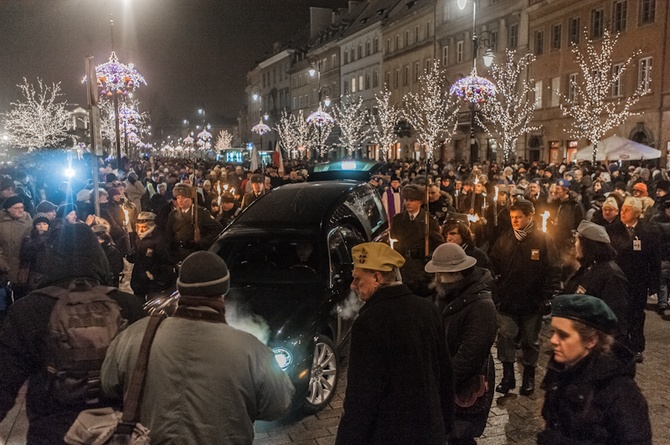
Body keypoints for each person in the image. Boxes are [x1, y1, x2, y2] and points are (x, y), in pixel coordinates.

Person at [101, 250, 294, 444]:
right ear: (223, 292)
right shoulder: (253, 350)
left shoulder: (134, 336)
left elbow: (108, 384)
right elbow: (279, 404)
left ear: (180, 290)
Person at [0, 223, 144, 445]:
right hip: (115, 430)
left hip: (52, 431)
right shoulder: (128, 305)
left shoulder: (29, 309)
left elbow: (5, 378)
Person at [336, 242, 454, 445]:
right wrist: (445, 425)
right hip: (430, 431)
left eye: (357, 278)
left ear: (376, 278)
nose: (352, 285)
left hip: (390, 433)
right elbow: (444, 372)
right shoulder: (427, 310)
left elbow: (362, 396)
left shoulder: (368, 322)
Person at [538, 294, 652, 444]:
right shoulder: (561, 369)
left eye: (563, 335)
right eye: (553, 332)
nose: (553, 340)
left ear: (591, 340)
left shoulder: (621, 392)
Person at [425, 243, 497, 445]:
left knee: (460, 437)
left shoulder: (482, 307)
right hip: (447, 385)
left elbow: (469, 356)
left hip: (466, 388)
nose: (437, 279)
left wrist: (439, 384)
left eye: (442, 274)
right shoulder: (446, 295)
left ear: (457, 274)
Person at [489, 199, 561, 396]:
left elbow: (554, 267)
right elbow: (493, 264)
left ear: (530, 217)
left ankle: (528, 376)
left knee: (530, 340)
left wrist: (549, 294)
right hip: (507, 299)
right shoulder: (504, 239)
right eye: (512, 217)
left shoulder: (543, 240)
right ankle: (508, 376)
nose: (515, 221)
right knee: (506, 337)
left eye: (519, 217)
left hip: (532, 300)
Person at [606, 197, 661, 363]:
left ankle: (637, 347)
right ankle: (618, 344)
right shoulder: (612, 230)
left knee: (637, 314)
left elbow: (654, 259)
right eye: (622, 209)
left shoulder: (648, 231)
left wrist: (654, 284)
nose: (622, 213)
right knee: (618, 312)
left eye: (627, 210)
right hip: (618, 279)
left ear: (636, 213)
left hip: (639, 280)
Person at [564, 220, 630, 343]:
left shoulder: (611, 276)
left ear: (588, 245)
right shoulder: (588, 268)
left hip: (592, 346)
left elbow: (615, 321)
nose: (575, 245)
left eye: (578, 241)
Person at [390, 183, 443, 297]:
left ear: (420, 202)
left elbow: (439, 244)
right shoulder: (398, 219)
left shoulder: (429, 221)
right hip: (402, 266)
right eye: (406, 200)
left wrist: (430, 259)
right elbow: (392, 241)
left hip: (420, 268)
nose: (408, 203)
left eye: (412, 200)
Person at [166, 183, 223, 264]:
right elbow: (169, 235)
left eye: (183, 197)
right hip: (178, 252)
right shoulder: (173, 214)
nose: (180, 200)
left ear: (191, 198)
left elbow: (217, 229)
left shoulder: (201, 213)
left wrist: (201, 243)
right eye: (178, 198)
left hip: (195, 252)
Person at [127, 211, 175, 300]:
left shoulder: (159, 240)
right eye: (139, 227)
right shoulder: (138, 238)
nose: (141, 230)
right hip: (139, 280)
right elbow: (137, 257)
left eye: (144, 227)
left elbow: (165, 260)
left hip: (153, 282)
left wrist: (153, 274)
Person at [0, 195, 33, 287]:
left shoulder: (29, 222)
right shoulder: (1, 223)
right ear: (8, 209)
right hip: (4, 267)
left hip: (23, 269)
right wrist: (2, 264)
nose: (21, 210)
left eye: (22, 207)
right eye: (16, 208)